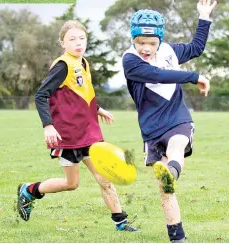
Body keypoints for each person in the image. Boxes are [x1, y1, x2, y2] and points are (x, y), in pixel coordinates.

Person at [16, 20, 138, 233]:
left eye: (82, 38)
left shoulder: (83, 62)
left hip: (89, 132)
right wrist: (48, 126)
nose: (78, 43)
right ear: (62, 43)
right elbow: (41, 95)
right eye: (72, 39)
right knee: (71, 184)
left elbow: (80, 94)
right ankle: (29, 190)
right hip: (68, 135)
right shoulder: (63, 65)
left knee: (104, 180)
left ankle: (121, 223)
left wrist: (97, 108)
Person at [122, 0, 217, 242]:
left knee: (177, 145)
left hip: (178, 119)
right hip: (152, 129)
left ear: (160, 40)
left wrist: (204, 16)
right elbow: (157, 75)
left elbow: (196, 47)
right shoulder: (130, 60)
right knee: (166, 191)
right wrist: (194, 76)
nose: (146, 47)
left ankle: (172, 171)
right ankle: (178, 237)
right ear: (133, 39)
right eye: (140, 42)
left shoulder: (169, 51)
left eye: (152, 43)